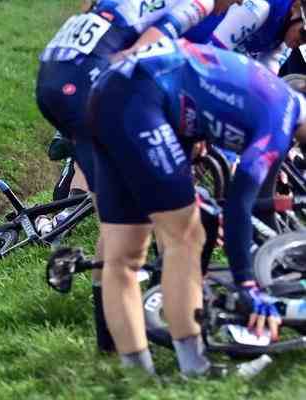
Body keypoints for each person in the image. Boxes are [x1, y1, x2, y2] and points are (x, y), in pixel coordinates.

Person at [87, 36, 306, 376]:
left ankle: (138, 381)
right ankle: (196, 369)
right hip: (143, 95)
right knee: (186, 238)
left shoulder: (274, 95)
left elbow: (197, 85)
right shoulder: (281, 120)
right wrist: (247, 283)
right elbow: (240, 203)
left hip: (108, 92)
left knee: (123, 258)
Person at [36, 0, 242, 353]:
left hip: (54, 76)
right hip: (90, 80)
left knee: (116, 228)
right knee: (179, 224)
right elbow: (146, 48)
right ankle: (179, 326)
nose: (238, 5)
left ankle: (112, 345)